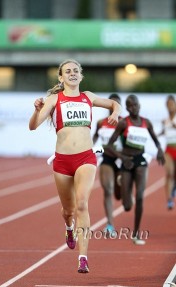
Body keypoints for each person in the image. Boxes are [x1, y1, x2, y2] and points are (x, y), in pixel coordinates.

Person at [29, 59, 121, 273]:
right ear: (61, 77)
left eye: (75, 71)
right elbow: (33, 126)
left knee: (82, 204)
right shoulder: (54, 99)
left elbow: (114, 104)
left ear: (81, 76)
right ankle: (69, 227)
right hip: (62, 161)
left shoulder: (88, 96)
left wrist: (115, 113)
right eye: (67, 71)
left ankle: (83, 257)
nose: (72, 74)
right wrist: (36, 110)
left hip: (85, 158)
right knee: (68, 210)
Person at [106, 94, 165, 245]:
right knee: (127, 207)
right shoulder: (123, 124)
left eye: (135, 105)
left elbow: (156, 141)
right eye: (130, 105)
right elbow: (109, 145)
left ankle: (136, 233)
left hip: (140, 161)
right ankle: (123, 186)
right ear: (126, 108)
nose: (133, 108)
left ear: (139, 105)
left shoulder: (146, 123)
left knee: (139, 196)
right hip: (126, 161)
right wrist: (121, 157)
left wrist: (159, 150)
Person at [93, 93, 122, 236]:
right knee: (108, 191)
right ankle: (110, 225)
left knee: (118, 194)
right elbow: (95, 136)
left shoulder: (124, 122)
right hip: (107, 158)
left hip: (122, 159)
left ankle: (121, 189)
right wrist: (87, 148)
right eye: (112, 103)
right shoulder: (100, 123)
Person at [159, 95, 176, 210]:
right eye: (168, 104)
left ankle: (173, 188)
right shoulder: (164, 120)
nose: (170, 106)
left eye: (171, 104)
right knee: (169, 173)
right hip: (169, 149)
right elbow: (163, 132)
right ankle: (169, 199)